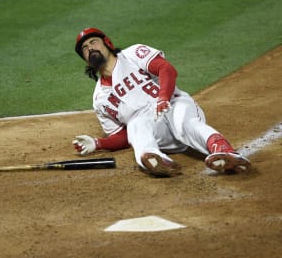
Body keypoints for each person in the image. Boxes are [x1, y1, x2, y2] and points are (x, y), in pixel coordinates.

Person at [72, 27, 251, 177]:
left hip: (174, 104)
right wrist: (98, 143)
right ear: (85, 60)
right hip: (157, 129)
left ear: (107, 43)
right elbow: (123, 136)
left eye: (93, 42)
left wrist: (163, 97)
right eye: (85, 49)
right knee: (135, 125)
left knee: (185, 124)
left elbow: (166, 69)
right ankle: (156, 159)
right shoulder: (100, 100)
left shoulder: (133, 54)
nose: (90, 48)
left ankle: (226, 153)